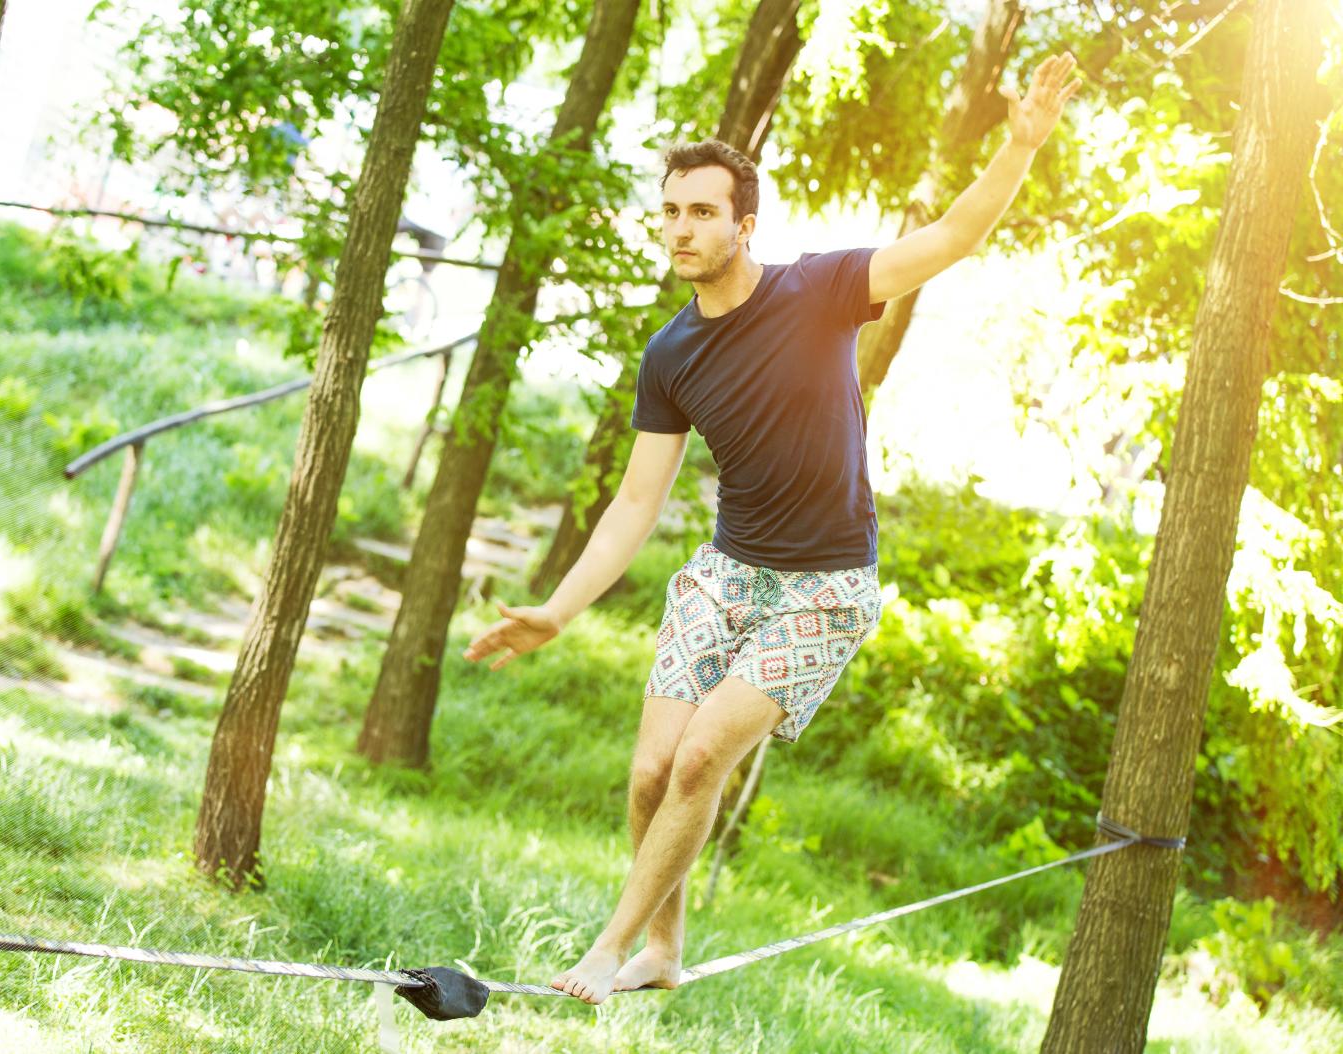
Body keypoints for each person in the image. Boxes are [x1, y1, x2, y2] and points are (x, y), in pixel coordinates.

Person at [463, 53, 1082, 1005]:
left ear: (743, 223)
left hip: (826, 585)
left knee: (705, 755)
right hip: (726, 573)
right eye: (670, 210)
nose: (681, 226)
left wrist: (1020, 144)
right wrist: (556, 609)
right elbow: (636, 504)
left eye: (702, 211)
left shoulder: (821, 290)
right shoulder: (669, 354)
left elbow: (954, 235)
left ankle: (606, 948)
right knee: (650, 773)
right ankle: (662, 950)